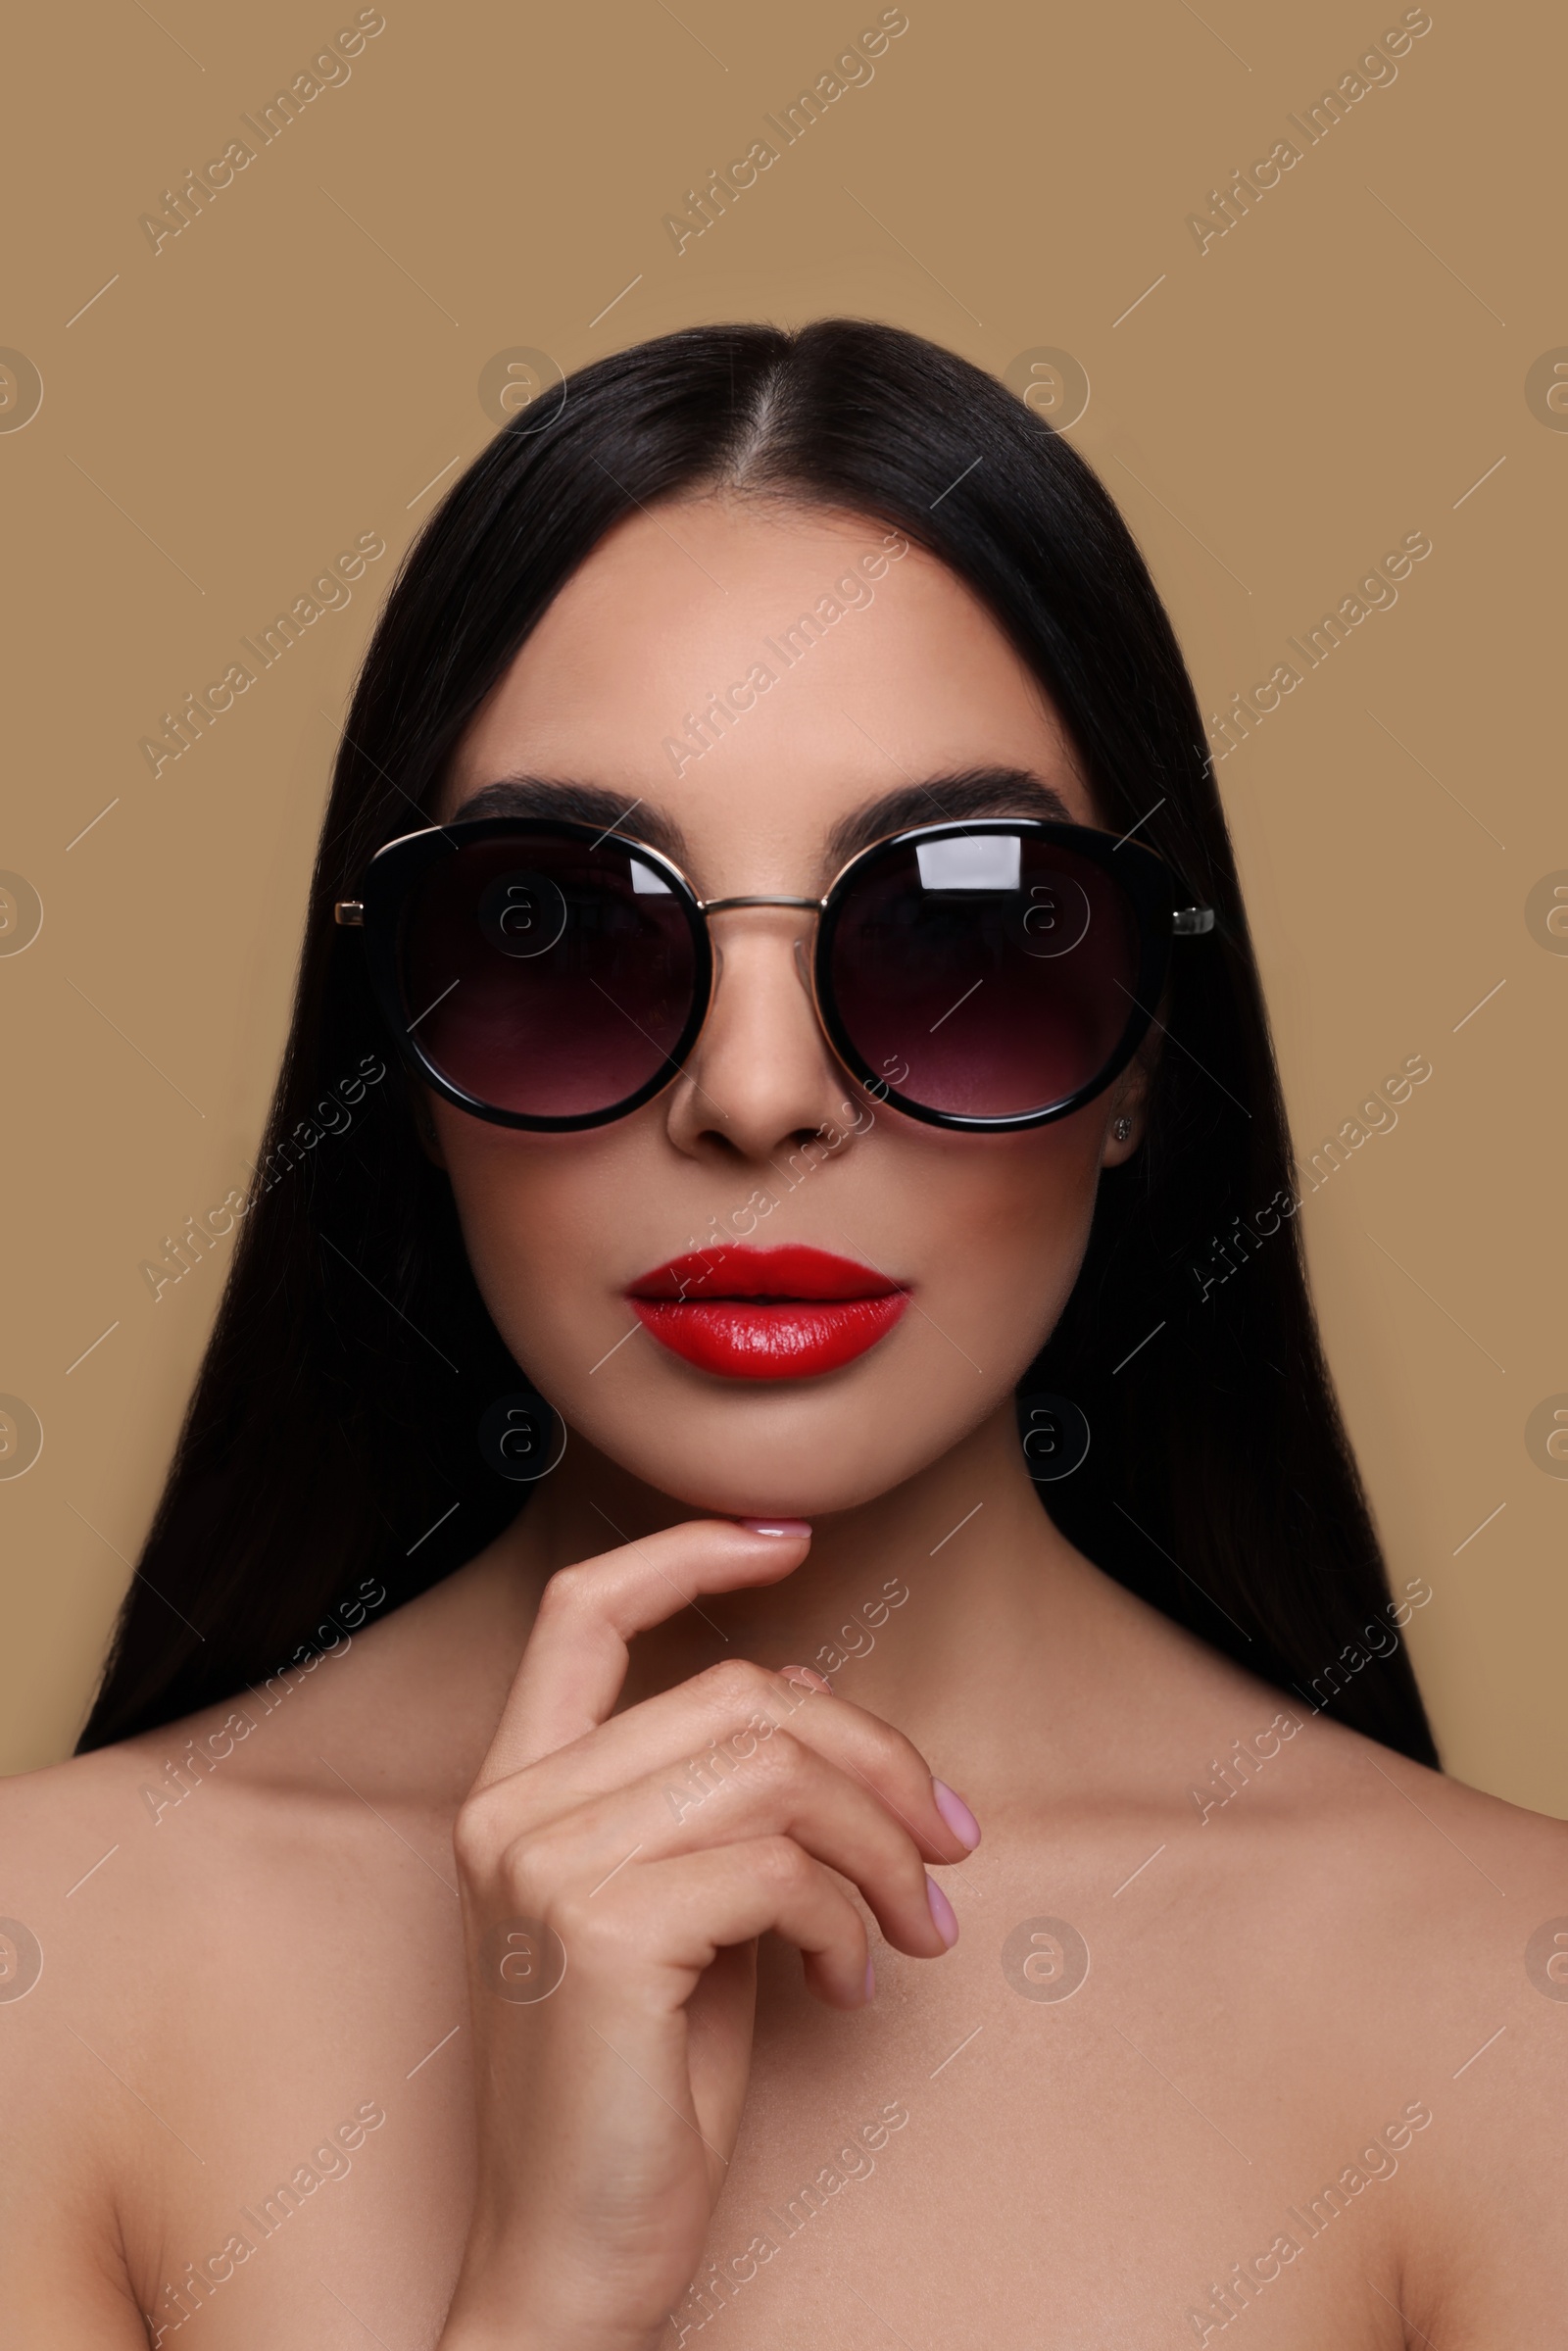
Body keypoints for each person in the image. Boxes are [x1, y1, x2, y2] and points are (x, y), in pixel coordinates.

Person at [2, 320, 1561, 2347]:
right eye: (553, 933)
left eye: (959, 932)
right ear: (395, 1054)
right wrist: (553, 2292)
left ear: (1138, 1059)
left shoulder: (1504, 2010)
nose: (757, 1094)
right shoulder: (51, 1974)